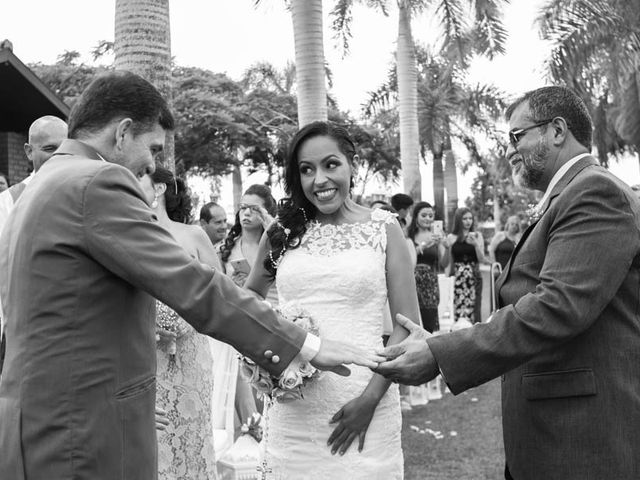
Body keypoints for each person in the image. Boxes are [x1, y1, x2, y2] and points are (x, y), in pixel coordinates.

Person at [0, 71, 380, 479]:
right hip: (82, 437)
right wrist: (302, 345)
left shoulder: (32, 191)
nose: (154, 165)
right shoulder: (95, 182)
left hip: (35, 424)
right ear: (124, 133)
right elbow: (192, 282)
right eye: (154, 148)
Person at [376, 86, 640, 480]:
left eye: (517, 136)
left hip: (581, 437)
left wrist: (439, 353)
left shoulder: (593, 191)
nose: (510, 149)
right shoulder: (570, 194)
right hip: (550, 429)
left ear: (556, 130)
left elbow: (557, 306)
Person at [244, 121, 420, 479]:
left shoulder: (384, 228)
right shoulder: (281, 232)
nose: (319, 180)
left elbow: (409, 328)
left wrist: (369, 400)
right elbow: (246, 300)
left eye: (330, 164)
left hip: (365, 401)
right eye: (306, 170)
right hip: (293, 409)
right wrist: (276, 347)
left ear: (351, 163)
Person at [139, 165, 220, 478]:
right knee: (155, 438)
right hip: (147, 354)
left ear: (158, 189)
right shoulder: (134, 236)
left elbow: (220, 291)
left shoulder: (193, 235)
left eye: (138, 179)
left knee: (193, 430)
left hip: (191, 353)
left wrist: (189, 317)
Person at [0, 115, 68, 235]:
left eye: (65, 147)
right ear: (29, 151)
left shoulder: (87, 190)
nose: (59, 155)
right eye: (50, 148)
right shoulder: (9, 201)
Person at [406, 201, 448, 332]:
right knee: (411, 320)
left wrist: (446, 246)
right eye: (424, 215)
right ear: (416, 216)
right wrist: (424, 246)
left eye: (430, 216)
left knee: (429, 322)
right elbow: (405, 258)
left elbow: (444, 263)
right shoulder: (408, 234)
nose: (427, 219)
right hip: (411, 281)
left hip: (430, 283)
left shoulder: (437, 236)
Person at [446, 207, 485, 324]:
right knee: (458, 308)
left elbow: (481, 259)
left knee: (475, 309)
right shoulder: (451, 237)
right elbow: (449, 261)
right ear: (458, 220)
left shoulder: (477, 236)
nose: (468, 221)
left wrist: (476, 245)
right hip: (458, 277)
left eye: (470, 218)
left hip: (474, 276)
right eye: (465, 218)